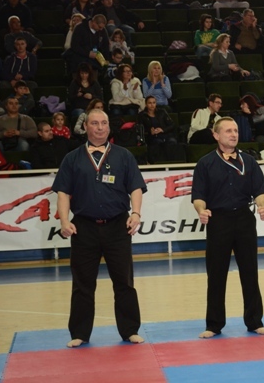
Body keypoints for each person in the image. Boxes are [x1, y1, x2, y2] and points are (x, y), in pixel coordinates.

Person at [52, 108, 146, 348]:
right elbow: (63, 193)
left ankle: (130, 330)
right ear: (86, 127)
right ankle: (79, 333)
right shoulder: (72, 158)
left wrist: (136, 213)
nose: (100, 127)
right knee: (82, 283)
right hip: (84, 228)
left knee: (124, 281)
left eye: (104, 123)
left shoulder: (124, 156)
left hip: (117, 226)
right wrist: (64, 221)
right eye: (95, 123)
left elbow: (135, 187)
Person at [191, 117, 264, 339]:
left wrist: (262, 206)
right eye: (228, 131)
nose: (233, 134)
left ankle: (254, 321)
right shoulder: (205, 163)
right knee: (216, 274)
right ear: (216, 135)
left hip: (244, 219)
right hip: (218, 221)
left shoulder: (249, 161)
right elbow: (198, 196)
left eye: (235, 130)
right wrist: (201, 210)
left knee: (250, 271)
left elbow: (260, 191)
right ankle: (214, 324)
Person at [137, 95, 178, 163]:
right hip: (152, 137)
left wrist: (162, 130)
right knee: (158, 143)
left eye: (154, 102)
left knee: (172, 141)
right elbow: (140, 129)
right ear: (146, 104)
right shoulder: (142, 115)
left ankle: (172, 163)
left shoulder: (162, 112)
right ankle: (159, 162)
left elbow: (172, 125)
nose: (152, 105)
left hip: (165, 134)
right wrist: (150, 131)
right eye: (150, 103)